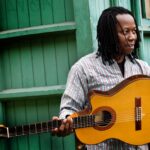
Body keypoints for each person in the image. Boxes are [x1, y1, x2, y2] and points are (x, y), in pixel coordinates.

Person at [52, 6, 150, 150]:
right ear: (108, 34)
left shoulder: (142, 67)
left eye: (134, 31)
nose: (132, 37)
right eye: (125, 32)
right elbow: (69, 108)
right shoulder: (83, 69)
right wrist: (66, 121)